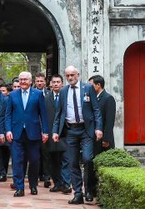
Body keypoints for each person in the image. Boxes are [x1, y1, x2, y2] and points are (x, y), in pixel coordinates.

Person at [52, 65, 102, 205]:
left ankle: (89, 190)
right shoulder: (63, 91)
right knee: (72, 162)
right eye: (67, 75)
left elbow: (96, 110)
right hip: (70, 131)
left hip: (86, 130)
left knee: (87, 159)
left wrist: (98, 128)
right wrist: (55, 131)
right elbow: (59, 113)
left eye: (72, 75)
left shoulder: (88, 88)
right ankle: (78, 193)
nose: (70, 78)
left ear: (78, 75)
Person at [4, 71, 49, 197]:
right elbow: (8, 115)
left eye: (25, 79)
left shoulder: (38, 94)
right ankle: (19, 187)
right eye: (21, 79)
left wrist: (45, 131)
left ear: (30, 81)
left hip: (33, 133)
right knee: (17, 161)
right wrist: (8, 130)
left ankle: (33, 185)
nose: (23, 82)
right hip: (16, 133)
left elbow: (43, 114)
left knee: (34, 160)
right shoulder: (12, 95)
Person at [86, 74, 116, 198]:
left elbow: (110, 121)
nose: (89, 88)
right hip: (92, 139)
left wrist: (106, 139)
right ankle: (89, 191)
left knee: (103, 166)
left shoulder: (108, 98)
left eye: (91, 85)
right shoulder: (91, 98)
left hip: (103, 140)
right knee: (90, 164)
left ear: (98, 85)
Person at [43, 74, 69, 193]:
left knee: (65, 159)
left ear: (62, 84)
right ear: (50, 84)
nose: (56, 84)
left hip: (65, 132)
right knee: (52, 160)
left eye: (58, 82)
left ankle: (66, 184)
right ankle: (57, 183)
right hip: (50, 133)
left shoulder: (67, 96)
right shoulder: (46, 98)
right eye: (54, 82)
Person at [0, 83, 11, 182]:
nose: (2, 93)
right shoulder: (1, 100)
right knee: (0, 153)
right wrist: (2, 132)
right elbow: (2, 117)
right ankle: (2, 173)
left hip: (13, 131)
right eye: (0, 91)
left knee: (8, 153)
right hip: (1, 129)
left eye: (4, 91)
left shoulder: (9, 100)